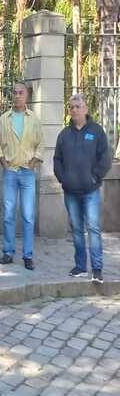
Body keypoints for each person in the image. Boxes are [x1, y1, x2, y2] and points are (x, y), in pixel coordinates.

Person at [54, 94, 112, 283]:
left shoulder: (96, 131)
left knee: (93, 228)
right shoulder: (64, 134)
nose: (75, 110)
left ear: (86, 109)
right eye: (71, 107)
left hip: (90, 191)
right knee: (77, 230)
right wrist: (63, 179)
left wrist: (95, 176)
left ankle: (97, 269)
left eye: (78, 106)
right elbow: (57, 160)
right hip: (70, 191)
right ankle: (80, 267)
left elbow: (105, 157)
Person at [0, 82, 43, 270]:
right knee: (8, 214)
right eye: (14, 92)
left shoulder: (34, 120)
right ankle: (8, 252)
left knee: (28, 215)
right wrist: (4, 164)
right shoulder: (4, 119)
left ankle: (28, 255)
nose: (17, 95)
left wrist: (32, 164)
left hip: (27, 173)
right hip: (10, 173)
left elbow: (41, 144)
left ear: (27, 96)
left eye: (20, 92)